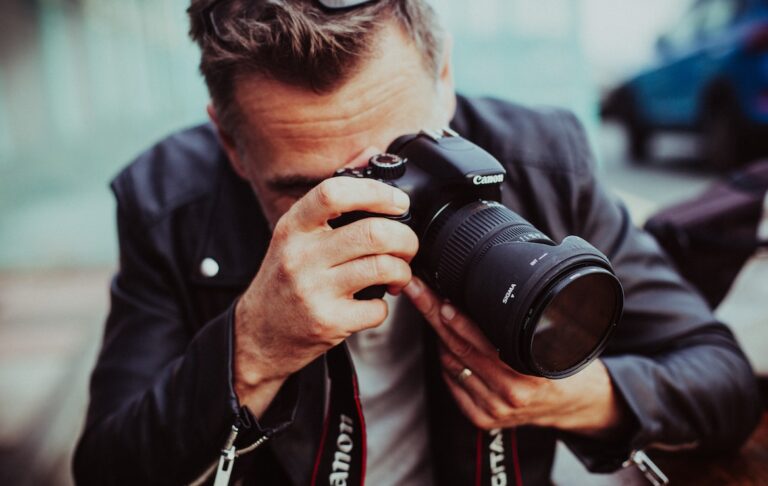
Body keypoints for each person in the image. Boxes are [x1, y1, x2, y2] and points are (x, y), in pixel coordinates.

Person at [73, 1, 762, 484]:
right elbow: (108, 469)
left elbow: (722, 382)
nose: (368, 207)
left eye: (401, 157)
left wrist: (575, 397)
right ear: (230, 143)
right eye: (304, 189)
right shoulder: (167, 202)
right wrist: (251, 348)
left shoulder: (542, 163)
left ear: (445, 81)